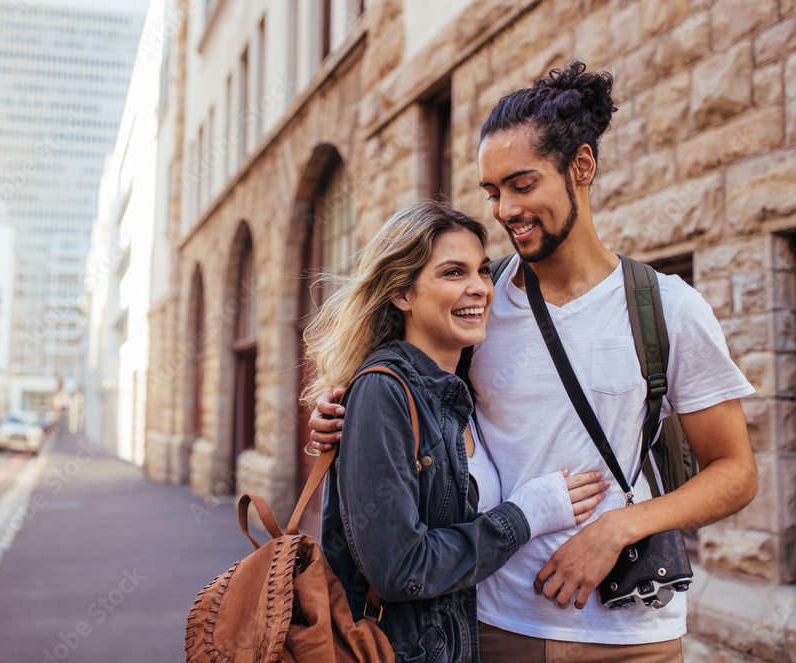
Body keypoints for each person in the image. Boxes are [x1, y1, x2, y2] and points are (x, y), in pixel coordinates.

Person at [308, 61, 758, 661]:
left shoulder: (667, 308)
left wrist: (618, 526)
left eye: (522, 185)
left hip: (631, 638)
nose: (503, 209)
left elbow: (734, 472)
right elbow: (400, 396)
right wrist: (335, 413)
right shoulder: (479, 306)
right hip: (492, 625)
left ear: (582, 168)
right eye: (492, 192)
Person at [303, 199, 609, 662]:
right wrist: (525, 516)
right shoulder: (384, 393)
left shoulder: (458, 390)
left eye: (483, 271)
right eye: (452, 273)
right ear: (402, 294)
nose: (479, 289)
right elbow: (400, 567)